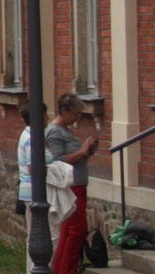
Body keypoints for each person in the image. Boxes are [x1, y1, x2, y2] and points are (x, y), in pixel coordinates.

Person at [46, 92, 99, 274]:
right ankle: (67, 270)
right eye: (75, 114)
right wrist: (82, 150)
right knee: (77, 230)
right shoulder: (54, 132)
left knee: (68, 231)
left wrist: (87, 152)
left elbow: (76, 157)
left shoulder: (67, 130)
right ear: (63, 110)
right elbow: (57, 161)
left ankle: (60, 268)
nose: (77, 118)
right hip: (71, 188)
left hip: (79, 186)